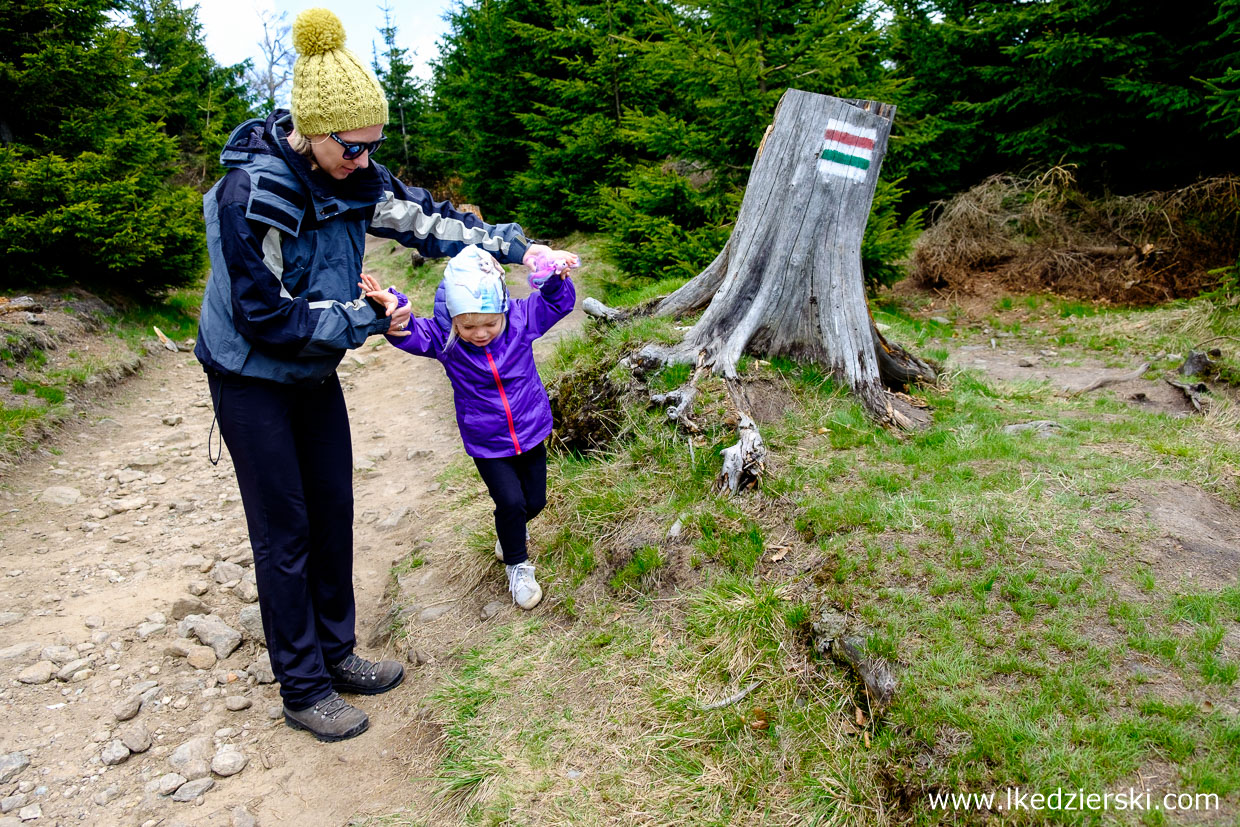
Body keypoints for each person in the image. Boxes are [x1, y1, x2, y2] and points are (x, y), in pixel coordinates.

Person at [194, 7, 571, 742]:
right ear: (314, 132)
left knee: (333, 508)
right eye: (354, 147)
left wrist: (521, 250)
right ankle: (302, 686)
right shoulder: (256, 195)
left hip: (310, 371)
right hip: (250, 374)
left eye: (374, 145)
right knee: (286, 529)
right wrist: (373, 318)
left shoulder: (358, 171)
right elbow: (267, 315)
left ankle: (339, 653)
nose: (367, 160)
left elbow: (431, 223)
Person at [361, 243, 578, 611]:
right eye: (468, 326)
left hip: (529, 429)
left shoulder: (521, 321)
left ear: (503, 310)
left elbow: (557, 304)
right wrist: (392, 308)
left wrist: (553, 279)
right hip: (487, 440)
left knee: (534, 501)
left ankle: (510, 534)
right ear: (452, 319)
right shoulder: (445, 340)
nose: (480, 334)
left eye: (490, 324)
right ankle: (517, 564)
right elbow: (408, 331)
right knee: (510, 502)